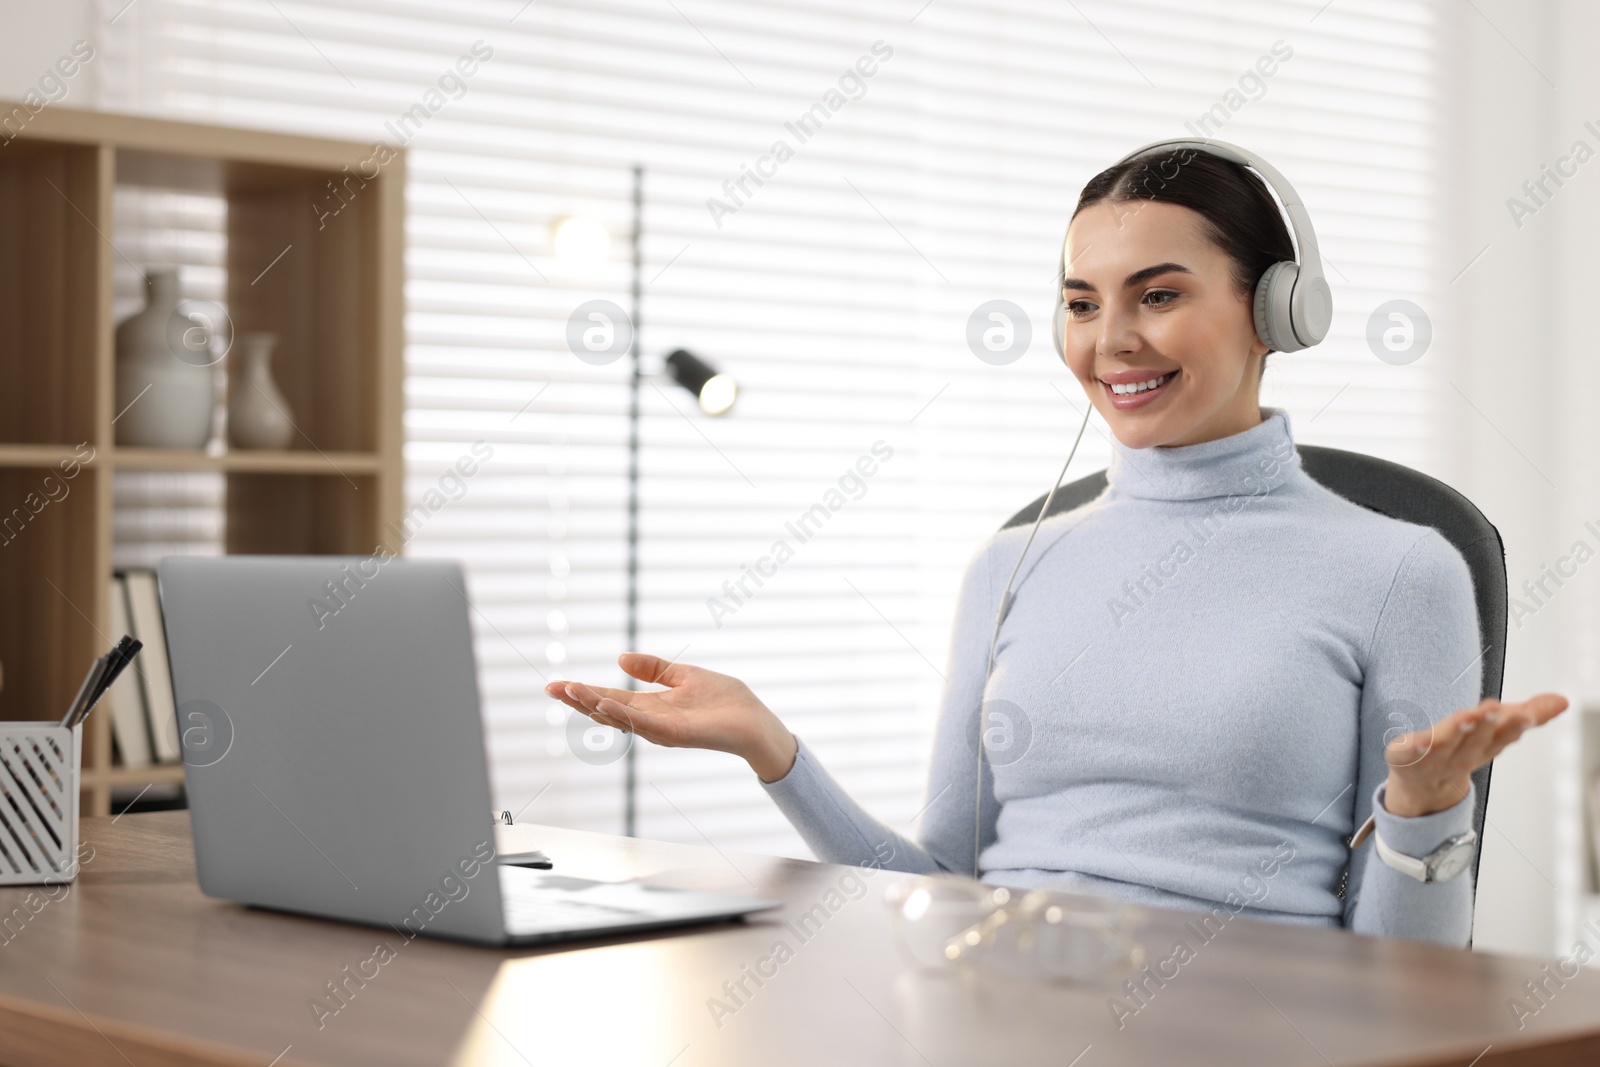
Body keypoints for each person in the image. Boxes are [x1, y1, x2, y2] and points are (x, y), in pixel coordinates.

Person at [546, 147, 1566, 946]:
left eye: (1157, 295)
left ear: (1275, 311)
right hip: (1003, 1011)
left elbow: (1403, 981)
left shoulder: (1401, 570)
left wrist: (1423, 812)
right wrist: (776, 752)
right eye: (1080, 303)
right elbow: (940, 892)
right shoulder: (1011, 560)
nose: (1108, 338)